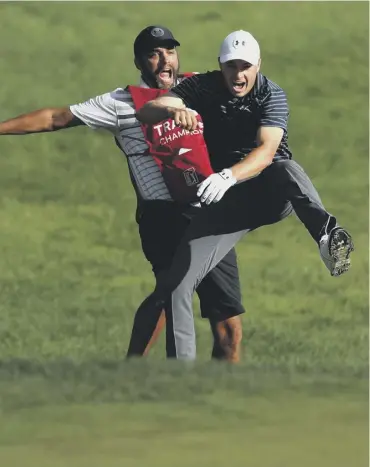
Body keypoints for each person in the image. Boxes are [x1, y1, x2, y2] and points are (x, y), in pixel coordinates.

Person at [0, 25, 245, 362]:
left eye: (169, 52)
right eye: (153, 54)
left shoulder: (199, 87)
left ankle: (220, 401)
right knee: (172, 301)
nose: (164, 61)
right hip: (162, 217)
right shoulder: (121, 103)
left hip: (208, 213)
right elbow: (56, 117)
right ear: (138, 62)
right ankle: (137, 373)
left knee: (228, 328)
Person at [135, 29, 355, 360]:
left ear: (258, 65)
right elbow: (148, 111)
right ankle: (179, 381)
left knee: (284, 168)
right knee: (178, 286)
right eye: (231, 66)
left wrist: (229, 175)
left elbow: (267, 152)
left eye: (245, 66)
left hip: (269, 193)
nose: (238, 75)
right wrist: (170, 109)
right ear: (220, 66)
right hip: (227, 202)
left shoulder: (271, 94)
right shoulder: (204, 86)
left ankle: (326, 235)